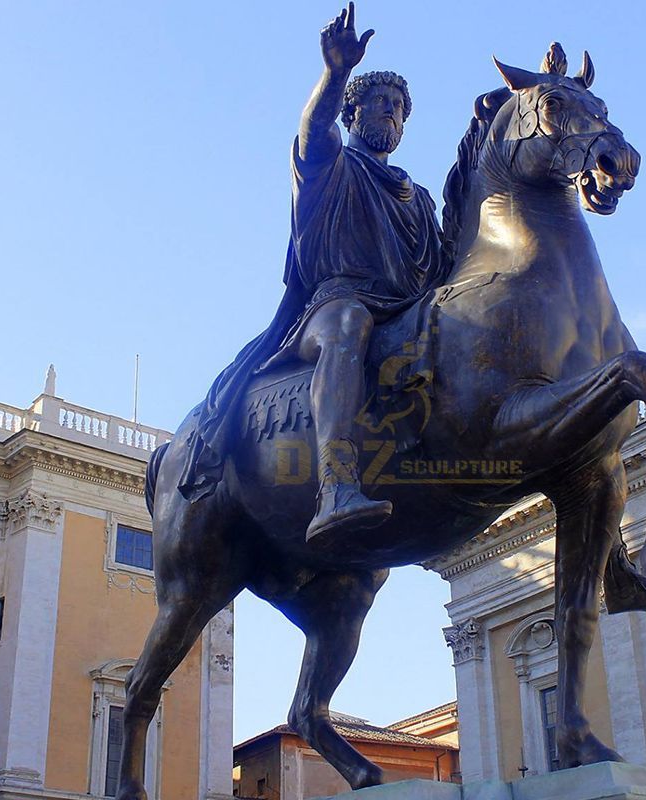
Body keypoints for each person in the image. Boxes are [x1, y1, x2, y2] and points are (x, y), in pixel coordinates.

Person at [177, 2, 447, 542]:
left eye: (399, 108)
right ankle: (335, 484)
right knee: (349, 326)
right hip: (334, 303)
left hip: (410, 311)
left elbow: (445, 268)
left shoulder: (418, 198)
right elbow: (313, 125)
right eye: (379, 104)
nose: (391, 115)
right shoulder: (328, 165)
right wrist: (336, 73)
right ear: (353, 116)